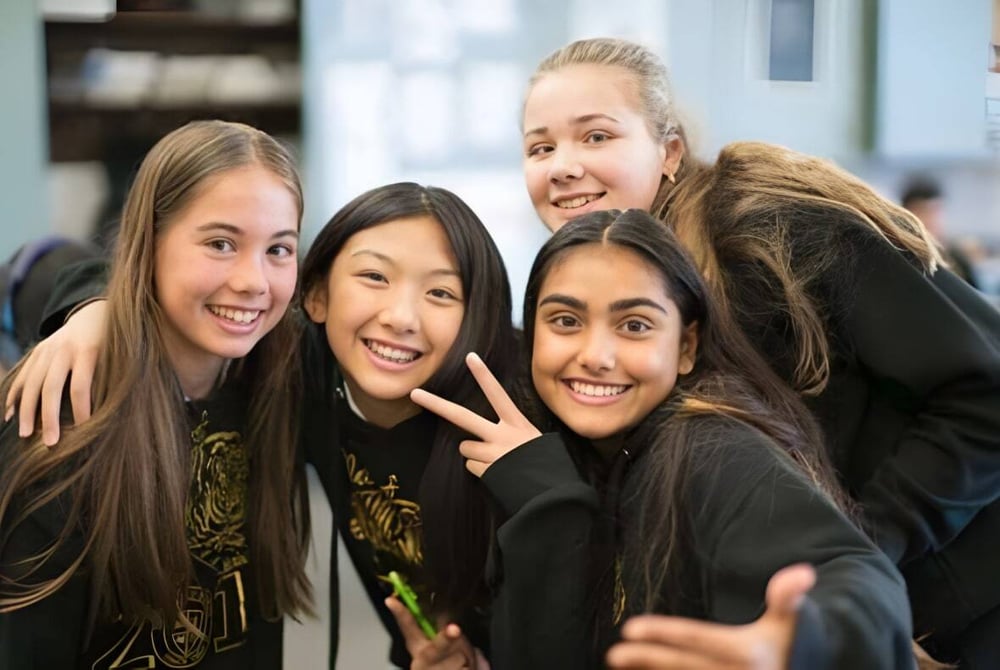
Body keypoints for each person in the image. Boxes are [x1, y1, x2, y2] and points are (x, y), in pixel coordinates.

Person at [519, 37, 1000, 667]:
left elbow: (985, 391)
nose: (562, 166)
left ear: (669, 151)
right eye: (540, 147)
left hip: (959, 605)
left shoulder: (772, 226)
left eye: (596, 137)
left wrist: (859, 551)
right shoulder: (625, 292)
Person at [3, 181, 519, 669]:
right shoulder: (297, 368)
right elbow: (42, 264)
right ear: (314, 296)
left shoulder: (516, 411)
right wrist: (97, 308)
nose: (401, 316)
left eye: (442, 294)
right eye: (374, 277)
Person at [412, 209, 916, 669]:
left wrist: (802, 645)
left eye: (634, 325)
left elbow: (857, 578)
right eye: (565, 321)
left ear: (686, 347)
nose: (596, 355)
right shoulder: (545, 453)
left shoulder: (713, 448)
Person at [0, 120, 312, 668]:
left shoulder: (276, 384)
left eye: (279, 249)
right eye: (220, 243)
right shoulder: (64, 416)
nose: (254, 281)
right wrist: (98, 305)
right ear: (149, 239)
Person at [899, 174, 981, 288]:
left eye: (935, 211)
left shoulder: (957, 259)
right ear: (907, 214)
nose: (930, 219)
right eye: (922, 211)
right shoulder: (901, 259)